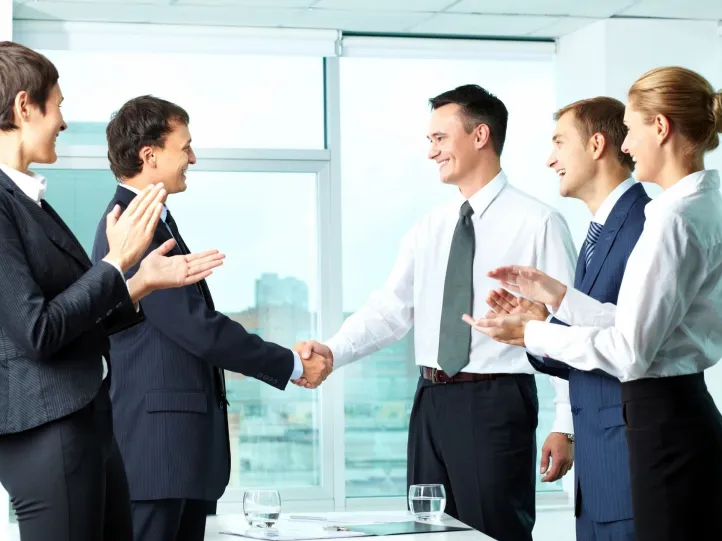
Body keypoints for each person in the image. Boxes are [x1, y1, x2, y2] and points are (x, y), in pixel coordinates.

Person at [297, 84, 577, 541]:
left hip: (496, 401)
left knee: (494, 530)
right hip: (430, 399)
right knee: (427, 531)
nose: (431, 152)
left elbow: (567, 328)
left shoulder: (539, 222)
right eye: (431, 141)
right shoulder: (430, 227)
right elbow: (390, 310)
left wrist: (566, 426)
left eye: (439, 139)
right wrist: (332, 349)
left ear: (480, 135)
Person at [467, 67, 722, 541]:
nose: (626, 145)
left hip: (662, 425)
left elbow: (630, 351)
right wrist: (559, 296)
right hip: (677, 418)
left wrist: (531, 333)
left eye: (633, 129)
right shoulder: (698, 205)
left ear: (661, 128)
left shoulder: (670, 220)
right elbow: (641, 324)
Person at [0, 42, 225, 541]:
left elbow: (76, 319)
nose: (62, 121)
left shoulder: (30, 201)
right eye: (57, 106)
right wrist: (116, 263)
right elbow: (37, 331)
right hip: (48, 429)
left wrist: (139, 282)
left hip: (87, 421)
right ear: (23, 107)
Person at [91, 95, 332, 541]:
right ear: (150, 155)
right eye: (184, 147)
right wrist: (291, 364)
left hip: (172, 452)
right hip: (159, 451)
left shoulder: (154, 222)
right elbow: (198, 328)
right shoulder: (133, 229)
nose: (193, 158)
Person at [486, 96, 648, 541]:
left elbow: (631, 346)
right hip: (600, 474)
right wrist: (536, 328)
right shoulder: (597, 233)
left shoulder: (644, 224)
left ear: (596, 145)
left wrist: (537, 332)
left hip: (629, 467)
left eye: (559, 142)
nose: (550, 158)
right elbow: (590, 342)